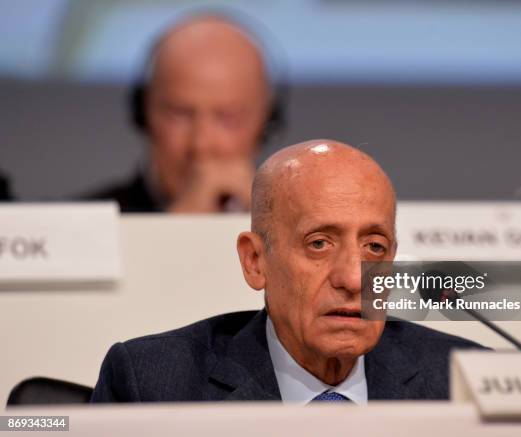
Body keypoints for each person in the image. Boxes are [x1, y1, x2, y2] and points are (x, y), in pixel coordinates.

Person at [91, 139, 485, 403]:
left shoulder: (464, 381)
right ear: (255, 261)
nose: (352, 278)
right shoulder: (153, 384)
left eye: (374, 248)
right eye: (319, 243)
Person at [87, 13, 284, 213]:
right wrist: (179, 227)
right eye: (179, 114)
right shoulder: (84, 226)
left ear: (267, 124)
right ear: (144, 115)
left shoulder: (299, 229)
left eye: (228, 117)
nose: (200, 144)